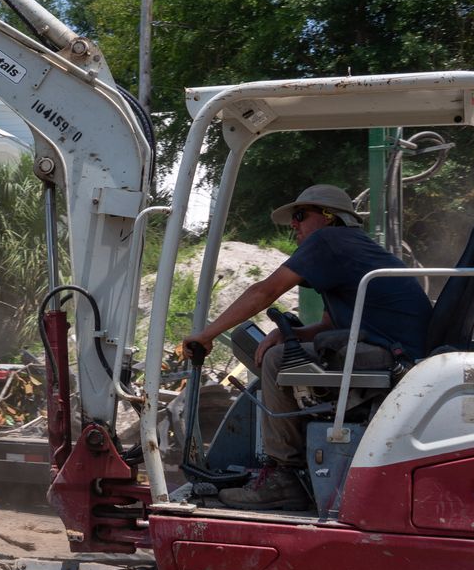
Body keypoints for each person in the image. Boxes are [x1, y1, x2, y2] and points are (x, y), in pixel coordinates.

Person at [179, 184, 434, 510]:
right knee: (284, 351)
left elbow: (265, 291)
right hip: (393, 346)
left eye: (300, 216)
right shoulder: (349, 247)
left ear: (329, 217)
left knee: (275, 362)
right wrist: (293, 335)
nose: (294, 225)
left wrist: (206, 334)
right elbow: (329, 324)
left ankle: (284, 477)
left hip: (392, 353)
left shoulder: (327, 241)